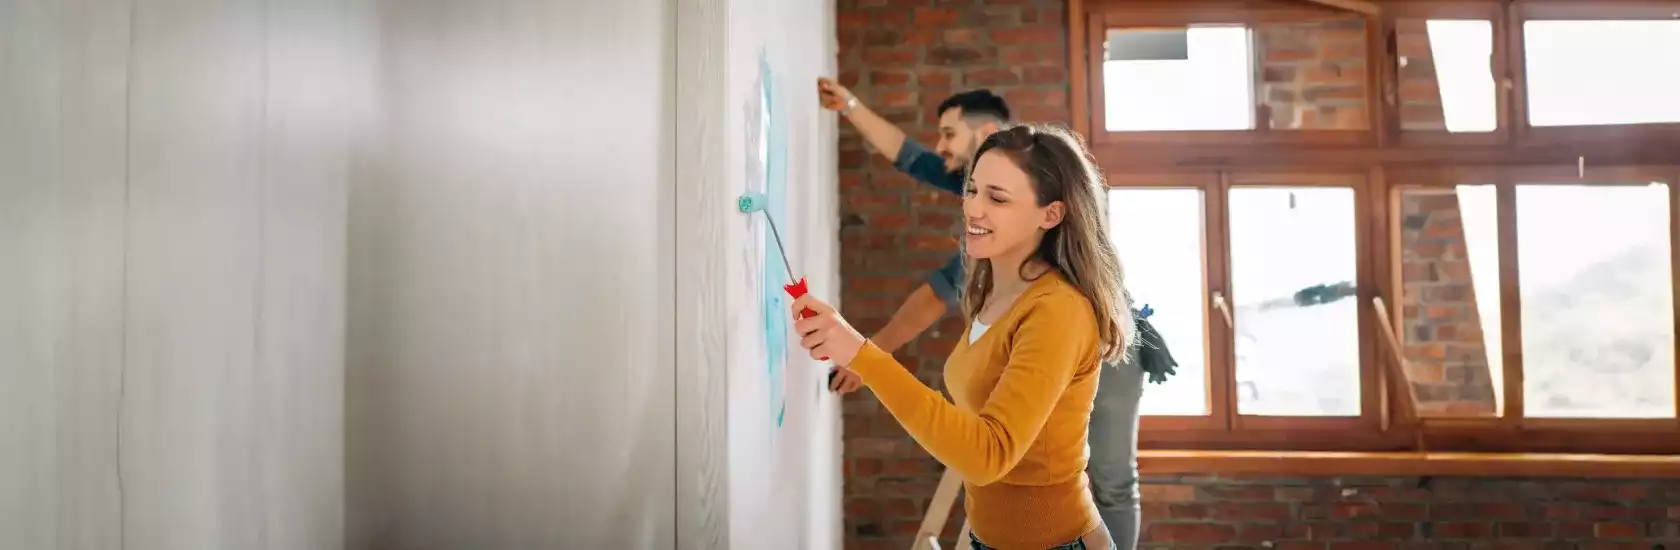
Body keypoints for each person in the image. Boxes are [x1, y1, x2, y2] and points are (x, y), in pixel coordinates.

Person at [819, 79, 1171, 549]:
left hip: (1061, 533)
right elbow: (911, 157)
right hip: (993, 536)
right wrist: (851, 104)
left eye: (997, 198)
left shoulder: (1057, 309)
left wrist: (866, 355)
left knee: (1112, 479)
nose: (972, 208)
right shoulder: (992, 282)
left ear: (1049, 214)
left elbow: (989, 453)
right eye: (971, 191)